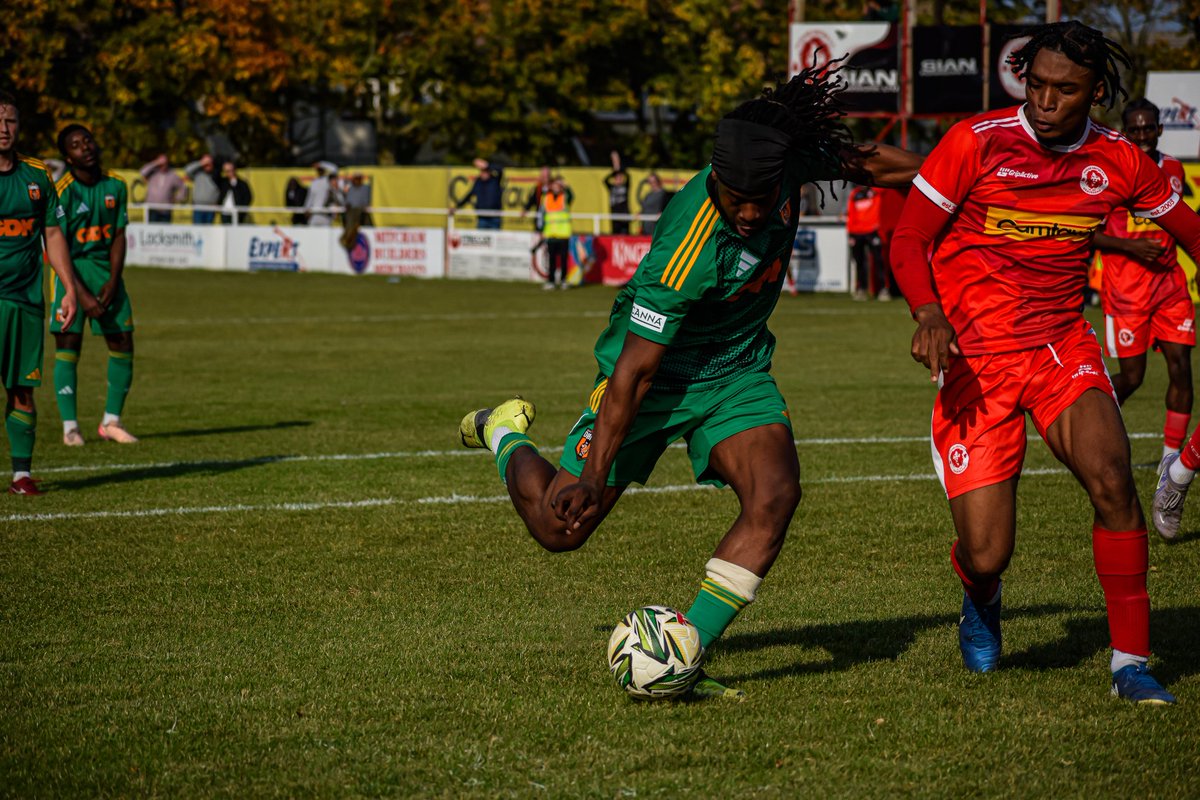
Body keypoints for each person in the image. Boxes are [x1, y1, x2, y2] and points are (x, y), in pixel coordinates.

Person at [458, 66, 921, 698]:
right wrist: (593, 476)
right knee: (559, 529)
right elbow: (635, 370)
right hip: (655, 380)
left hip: (735, 371)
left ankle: (687, 648)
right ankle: (502, 432)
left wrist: (956, 183)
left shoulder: (787, 164)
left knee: (775, 495)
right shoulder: (689, 238)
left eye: (763, 198)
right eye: (737, 200)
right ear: (716, 182)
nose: (753, 211)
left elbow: (879, 164)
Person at [889, 21, 1200, 705]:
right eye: (1037, 84)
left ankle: (1130, 662)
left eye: (1066, 90)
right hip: (976, 361)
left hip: (1061, 346)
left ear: (1096, 94)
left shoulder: (1121, 159)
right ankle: (981, 594)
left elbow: (1189, 233)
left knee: (1114, 479)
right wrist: (927, 311)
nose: (1046, 100)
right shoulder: (977, 141)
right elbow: (909, 236)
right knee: (987, 551)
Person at [1092, 99, 1193, 475]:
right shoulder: (1107, 171)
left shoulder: (1173, 169)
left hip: (1170, 288)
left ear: (1159, 129)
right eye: (1134, 130)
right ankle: (1084, 427)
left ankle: (1171, 460)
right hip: (1125, 293)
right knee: (1132, 378)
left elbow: (1181, 224)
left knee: (1181, 367)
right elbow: (1089, 235)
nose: (1142, 136)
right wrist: (1132, 246)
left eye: (1148, 128)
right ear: (1125, 133)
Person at [0, 91, 81, 494]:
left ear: (19, 126)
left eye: (10, 121)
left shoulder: (36, 175)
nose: (3, 129)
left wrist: (68, 288)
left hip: (26, 301)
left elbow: (53, 233)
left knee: (22, 387)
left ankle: (21, 475)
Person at [51, 124, 138, 446]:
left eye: (87, 140)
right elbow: (55, 245)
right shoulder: (62, 191)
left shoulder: (116, 184)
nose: (84, 147)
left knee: (123, 343)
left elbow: (118, 235)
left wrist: (113, 281)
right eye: (75, 144)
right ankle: (70, 427)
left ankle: (111, 422)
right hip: (69, 276)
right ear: (67, 156)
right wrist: (80, 294)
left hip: (107, 273)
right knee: (68, 346)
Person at [845, 184, 886, 300]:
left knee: (878, 261)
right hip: (856, 232)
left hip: (872, 231)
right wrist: (850, 232)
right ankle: (861, 289)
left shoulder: (875, 191)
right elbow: (851, 213)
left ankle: (882, 289)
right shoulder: (855, 194)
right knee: (859, 262)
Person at [539, 177, 572, 290]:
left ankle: (563, 280)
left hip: (563, 234)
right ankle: (551, 281)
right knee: (551, 259)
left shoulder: (565, 197)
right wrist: (542, 230)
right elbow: (543, 216)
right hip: (551, 234)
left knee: (563, 259)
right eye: (554, 185)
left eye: (558, 185)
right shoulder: (546, 198)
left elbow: (571, 196)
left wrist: (566, 186)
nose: (556, 187)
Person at [453, 158, 503, 229]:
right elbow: (469, 196)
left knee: (495, 239)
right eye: (482, 171)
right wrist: (457, 207)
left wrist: (486, 165)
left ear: (489, 172)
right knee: (480, 239)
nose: (483, 174)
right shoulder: (478, 182)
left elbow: (500, 170)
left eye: (485, 171)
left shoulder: (495, 180)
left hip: (495, 217)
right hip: (482, 217)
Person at [139, 153, 185, 223]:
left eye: (165, 162)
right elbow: (142, 172)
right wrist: (156, 163)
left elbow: (182, 187)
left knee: (165, 232)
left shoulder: (172, 175)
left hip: (166, 210)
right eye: (161, 162)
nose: (163, 165)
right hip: (152, 208)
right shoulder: (152, 172)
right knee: (151, 231)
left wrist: (177, 198)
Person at [339, 173, 372, 252]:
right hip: (351, 212)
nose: (356, 181)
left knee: (354, 216)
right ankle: (347, 238)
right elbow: (347, 202)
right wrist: (347, 205)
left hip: (360, 212)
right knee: (350, 216)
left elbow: (365, 202)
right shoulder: (351, 189)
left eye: (358, 179)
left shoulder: (365, 188)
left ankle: (347, 238)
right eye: (355, 179)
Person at [185, 154, 221, 224]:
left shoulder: (216, 175)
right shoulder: (197, 174)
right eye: (205, 162)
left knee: (208, 231)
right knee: (198, 230)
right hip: (198, 207)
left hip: (211, 208)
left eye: (209, 162)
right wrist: (201, 163)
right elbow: (187, 170)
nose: (207, 164)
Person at [304, 161, 339, 227]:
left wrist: (321, 164)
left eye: (321, 169)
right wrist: (307, 208)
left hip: (325, 214)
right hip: (314, 214)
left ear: (325, 170)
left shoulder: (328, 180)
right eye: (318, 170)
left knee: (326, 235)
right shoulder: (314, 182)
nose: (320, 171)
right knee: (311, 233)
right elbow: (310, 197)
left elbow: (334, 169)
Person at [218, 160, 252, 225]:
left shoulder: (242, 183)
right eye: (227, 171)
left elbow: (248, 197)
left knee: (237, 231)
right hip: (225, 212)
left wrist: (242, 210)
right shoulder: (223, 182)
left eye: (231, 170)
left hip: (237, 212)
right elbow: (215, 175)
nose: (229, 173)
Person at [605, 151, 631, 234]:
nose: (618, 179)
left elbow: (628, 176)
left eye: (620, 177)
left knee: (625, 235)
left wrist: (618, 164)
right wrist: (615, 171)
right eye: (616, 178)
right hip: (615, 215)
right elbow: (605, 180)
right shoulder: (612, 187)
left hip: (624, 216)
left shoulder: (625, 186)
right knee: (615, 236)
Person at [638, 172, 671, 237]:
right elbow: (645, 208)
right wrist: (640, 213)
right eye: (650, 182)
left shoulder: (664, 194)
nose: (652, 184)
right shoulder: (648, 195)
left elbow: (667, 209)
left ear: (658, 181)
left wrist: (662, 213)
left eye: (653, 181)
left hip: (655, 226)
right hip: (646, 226)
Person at [522, 166, 553, 231]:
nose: (543, 178)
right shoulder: (539, 187)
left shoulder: (553, 187)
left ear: (549, 176)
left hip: (550, 216)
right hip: (540, 215)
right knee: (538, 233)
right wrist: (526, 209)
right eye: (542, 176)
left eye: (545, 176)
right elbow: (532, 200)